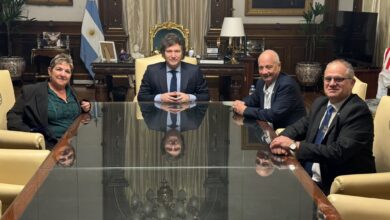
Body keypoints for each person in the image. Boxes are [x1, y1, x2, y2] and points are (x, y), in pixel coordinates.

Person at [270, 59, 376, 194]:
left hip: (336, 185)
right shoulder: (321, 103)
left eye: (338, 79)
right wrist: (281, 141)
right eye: (328, 79)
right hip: (307, 175)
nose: (332, 83)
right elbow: (299, 127)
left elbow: (338, 152)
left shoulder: (357, 112)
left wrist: (293, 146)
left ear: (352, 83)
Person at [7, 53, 91, 149]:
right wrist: (32, 135)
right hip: (51, 146)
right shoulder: (31, 91)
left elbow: (74, 108)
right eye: (59, 69)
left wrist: (85, 107)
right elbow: (12, 116)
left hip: (76, 143)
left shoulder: (71, 91)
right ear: (50, 71)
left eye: (67, 71)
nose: (63, 74)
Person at [232, 50, 305, 129]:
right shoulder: (261, 82)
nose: (264, 72)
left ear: (279, 66)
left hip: (288, 134)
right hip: (267, 130)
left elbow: (273, 115)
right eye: (261, 68)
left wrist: (245, 110)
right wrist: (241, 103)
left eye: (268, 67)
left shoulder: (287, 85)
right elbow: (253, 99)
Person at [137, 33, 209, 102]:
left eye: (177, 51)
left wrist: (189, 97)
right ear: (163, 53)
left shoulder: (194, 71)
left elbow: (205, 96)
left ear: (182, 53)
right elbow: (141, 96)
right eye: (169, 51)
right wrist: (160, 97)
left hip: (187, 112)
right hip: (159, 112)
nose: (173, 55)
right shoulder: (151, 71)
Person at [139, 102, 207, 159]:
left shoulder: (152, 123)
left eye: (169, 148)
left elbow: (145, 100)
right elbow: (202, 101)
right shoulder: (194, 123)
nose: (173, 145)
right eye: (177, 148)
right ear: (182, 144)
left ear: (163, 143)